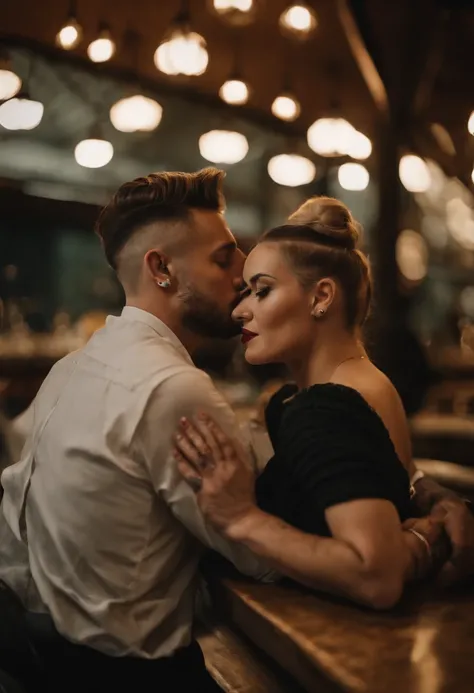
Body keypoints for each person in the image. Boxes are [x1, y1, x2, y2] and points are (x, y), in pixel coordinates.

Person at [0, 172, 471, 691]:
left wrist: (418, 486)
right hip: (132, 677)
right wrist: (421, 535)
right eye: (225, 260)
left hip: (45, 655)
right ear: (161, 269)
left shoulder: (73, 366)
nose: (239, 280)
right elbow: (268, 558)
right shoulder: (175, 388)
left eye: (257, 284)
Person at [174, 195, 474, 605]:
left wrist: (242, 518)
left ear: (321, 297)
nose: (240, 310)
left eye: (262, 291)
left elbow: (375, 576)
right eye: (245, 293)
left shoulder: (327, 408)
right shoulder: (360, 385)